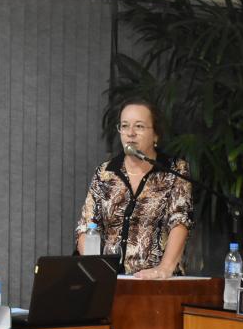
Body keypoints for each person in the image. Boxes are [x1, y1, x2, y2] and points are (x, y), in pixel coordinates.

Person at [76, 98, 193, 279]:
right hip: (110, 280)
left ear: (155, 134)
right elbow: (86, 227)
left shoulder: (174, 170)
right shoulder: (105, 172)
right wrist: (96, 270)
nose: (130, 133)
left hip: (157, 280)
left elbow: (180, 221)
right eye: (124, 126)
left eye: (139, 126)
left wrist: (164, 268)